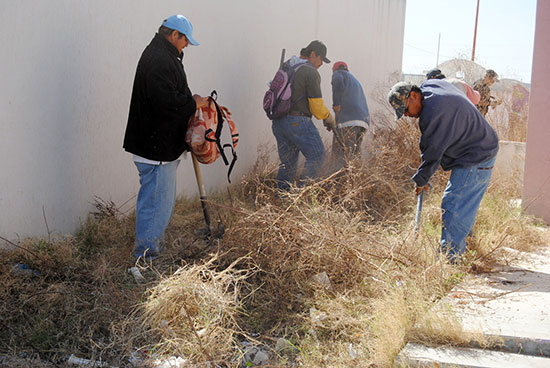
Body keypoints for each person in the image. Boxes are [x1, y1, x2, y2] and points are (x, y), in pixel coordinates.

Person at [123, 14, 207, 260]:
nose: (187, 45)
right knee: (156, 206)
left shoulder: (164, 55)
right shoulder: (159, 59)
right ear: (173, 35)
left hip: (160, 146)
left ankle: (149, 251)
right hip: (155, 148)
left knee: (161, 204)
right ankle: (146, 257)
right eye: (185, 40)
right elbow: (166, 102)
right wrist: (193, 103)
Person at [387, 79, 499, 261]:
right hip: (482, 146)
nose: (407, 115)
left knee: (454, 204)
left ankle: (450, 260)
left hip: (476, 154)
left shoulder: (434, 113)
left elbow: (433, 152)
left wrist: (421, 179)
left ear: (414, 96)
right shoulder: (431, 86)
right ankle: (468, 249)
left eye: (406, 109)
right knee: (464, 204)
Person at [271, 40, 336, 191]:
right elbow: (316, 106)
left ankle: (282, 197)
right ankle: (300, 194)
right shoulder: (310, 71)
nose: (321, 64)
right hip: (297, 121)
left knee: (288, 163)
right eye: (321, 60)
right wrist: (328, 117)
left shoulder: (288, 65)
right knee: (317, 155)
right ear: (313, 54)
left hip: (278, 122)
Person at [330, 61, 370, 170]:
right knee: (354, 154)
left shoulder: (338, 74)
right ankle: (357, 179)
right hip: (363, 122)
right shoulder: (354, 80)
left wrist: (336, 104)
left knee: (343, 155)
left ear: (334, 70)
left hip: (349, 122)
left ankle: (342, 181)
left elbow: (337, 80)